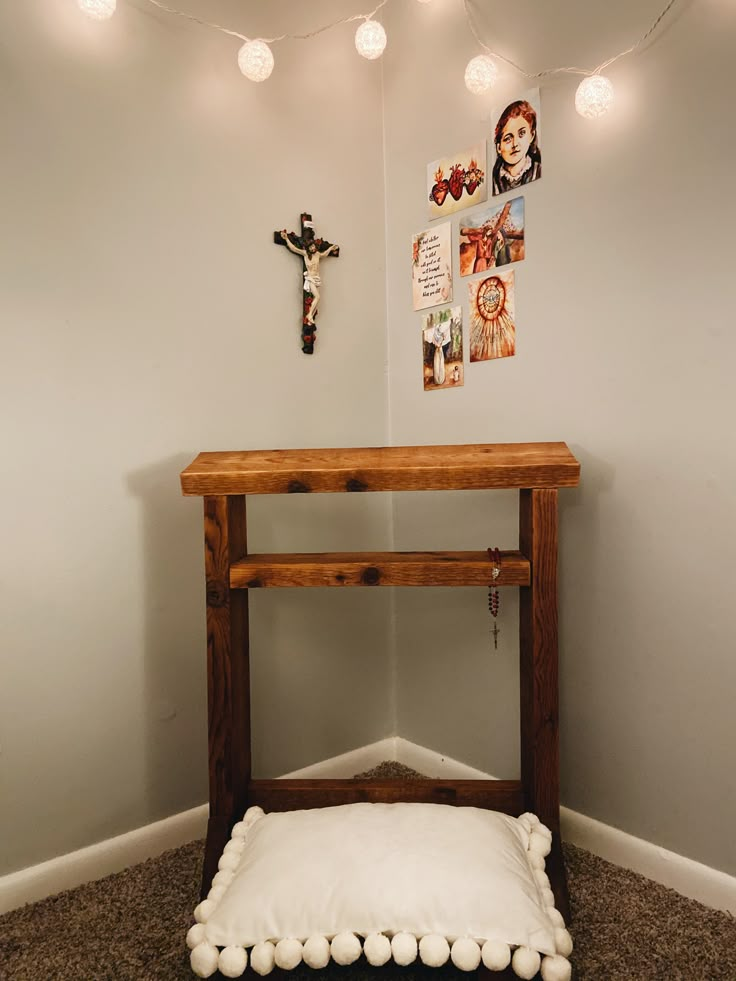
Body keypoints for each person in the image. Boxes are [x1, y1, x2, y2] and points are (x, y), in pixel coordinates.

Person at [280, 231, 339, 324]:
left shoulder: (318, 254)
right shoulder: (305, 254)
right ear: (308, 248)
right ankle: (309, 314)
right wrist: (286, 238)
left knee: (316, 299)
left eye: (313, 246)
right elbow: (294, 248)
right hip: (310, 278)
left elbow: (325, 254)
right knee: (317, 297)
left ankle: (310, 316)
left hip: (317, 279)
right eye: (311, 247)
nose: (313, 248)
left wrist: (331, 248)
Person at [492, 99, 541, 195]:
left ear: (531, 135)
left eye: (522, 133)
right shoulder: (494, 181)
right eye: (508, 139)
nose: (515, 144)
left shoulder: (538, 170)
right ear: (499, 147)